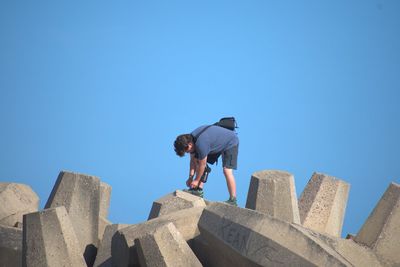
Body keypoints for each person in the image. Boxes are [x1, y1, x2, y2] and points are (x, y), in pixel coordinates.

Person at [174, 124, 239, 205]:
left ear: (189, 144)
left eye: (187, 150)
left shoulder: (201, 143)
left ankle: (233, 200)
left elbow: (202, 164)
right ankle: (198, 190)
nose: (187, 152)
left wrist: (196, 180)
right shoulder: (191, 139)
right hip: (215, 143)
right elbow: (192, 161)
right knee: (197, 160)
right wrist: (190, 177)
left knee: (227, 170)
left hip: (230, 142)